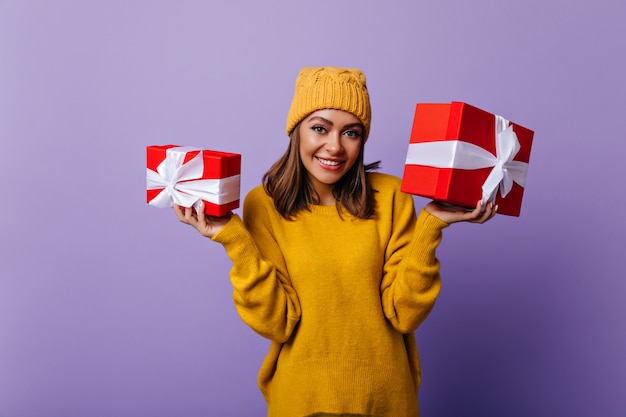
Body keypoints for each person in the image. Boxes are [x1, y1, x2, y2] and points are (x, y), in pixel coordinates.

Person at [174, 66, 496, 417]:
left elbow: (404, 314)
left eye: (351, 133)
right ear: (296, 131)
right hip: (302, 400)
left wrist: (431, 226)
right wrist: (233, 239)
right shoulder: (263, 204)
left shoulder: (392, 196)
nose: (335, 146)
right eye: (319, 128)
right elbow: (277, 322)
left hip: (386, 399)